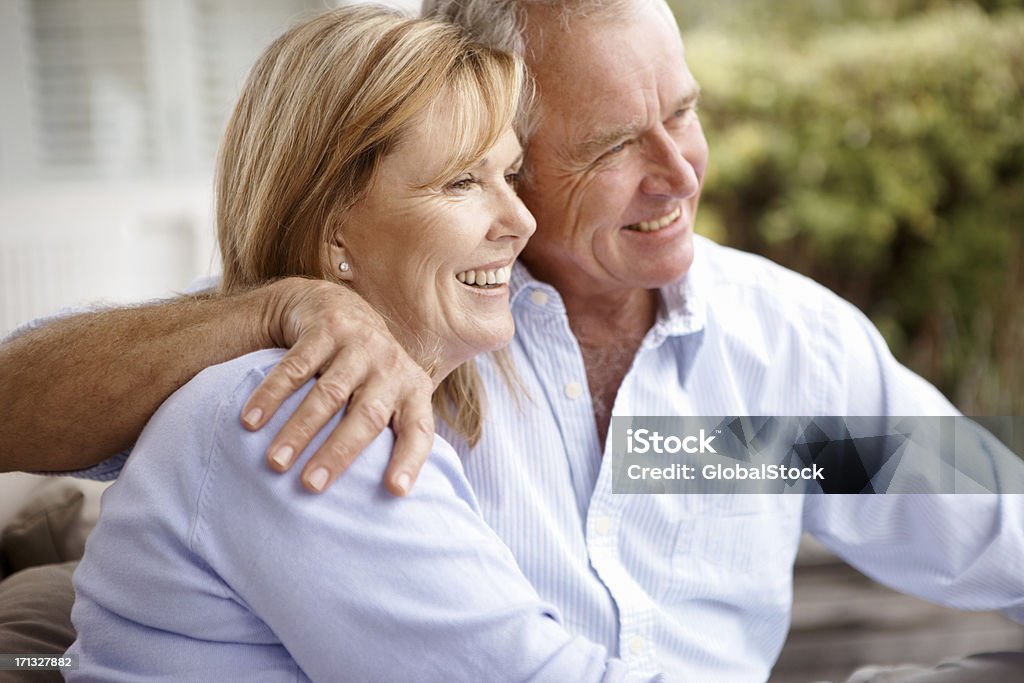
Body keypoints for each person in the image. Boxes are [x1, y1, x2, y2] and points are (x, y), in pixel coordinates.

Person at [2, 1, 1022, 681]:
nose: (678, 173)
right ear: (507, 151)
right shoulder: (364, 336)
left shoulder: (775, 352)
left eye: (683, 113)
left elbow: (987, 506)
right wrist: (261, 309)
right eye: (614, 144)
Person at [65, 6, 636, 681]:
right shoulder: (300, 406)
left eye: (509, 175)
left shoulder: (773, 318)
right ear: (336, 233)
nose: (521, 220)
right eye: (462, 181)